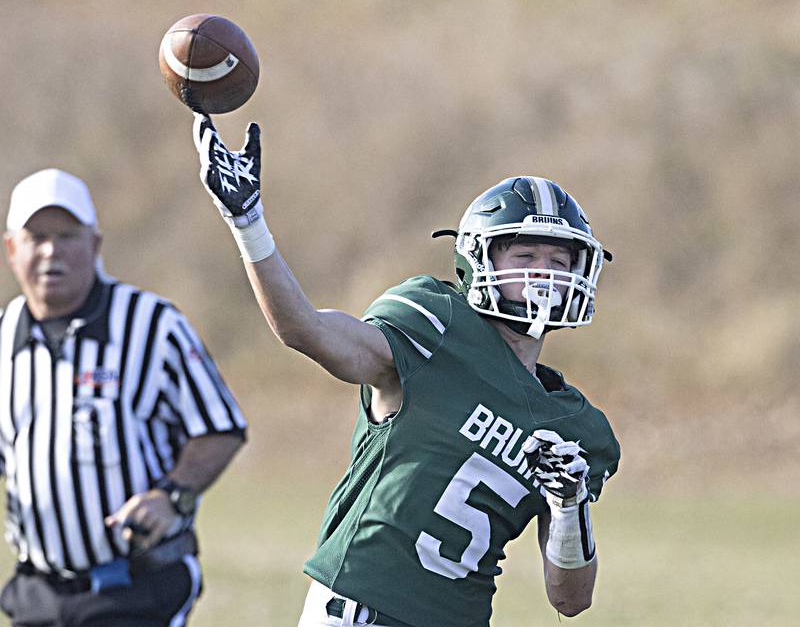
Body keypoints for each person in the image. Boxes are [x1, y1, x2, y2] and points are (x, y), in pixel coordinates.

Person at [192, 114, 620, 627]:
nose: (544, 274)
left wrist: (569, 504)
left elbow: (570, 599)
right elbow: (306, 329)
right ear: (478, 260)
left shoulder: (578, 429)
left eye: (559, 260)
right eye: (525, 254)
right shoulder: (436, 324)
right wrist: (248, 222)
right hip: (361, 612)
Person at [0, 168, 247, 627]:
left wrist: (171, 496)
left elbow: (220, 427)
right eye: (37, 237)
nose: (52, 251)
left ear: (95, 246)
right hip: (37, 592)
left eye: (67, 236)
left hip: (134, 589)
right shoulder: (3, 335)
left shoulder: (152, 325)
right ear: (12, 249)